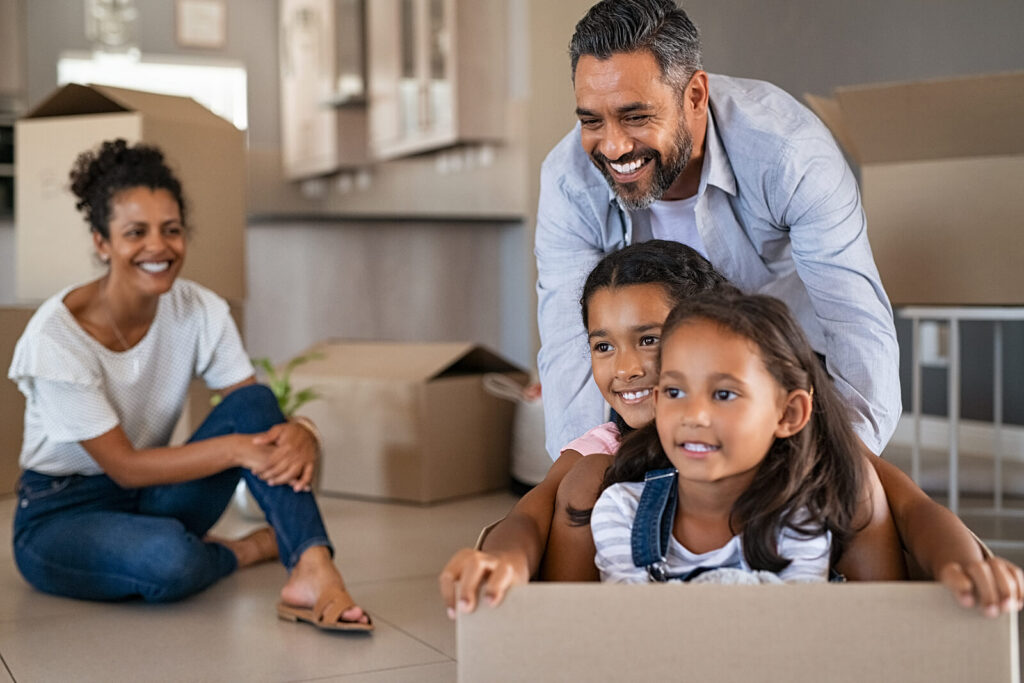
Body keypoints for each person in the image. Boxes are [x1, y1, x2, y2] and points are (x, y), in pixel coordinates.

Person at [440, 242, 1023, 615]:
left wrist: (963, 565)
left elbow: (914, 508)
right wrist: (505, 564)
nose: (629, 367)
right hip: (645, 623)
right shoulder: (601, 462)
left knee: (863, 488)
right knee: (580, 489)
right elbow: (525, 518)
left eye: (651, 339)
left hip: (799, 615)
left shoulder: (789, 429)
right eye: (604, 345)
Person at [8, 139, 371, 632]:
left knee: (256, 401)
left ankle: (311, 566)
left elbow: (252, 411)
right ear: (102, 242)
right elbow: (126, 467)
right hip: (60, 515)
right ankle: (243, 552)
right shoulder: (56, 338)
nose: (158, 247)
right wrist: (241, 452)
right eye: (135, 232)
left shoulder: (200, 309)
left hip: (155, 496)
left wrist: (303, 427)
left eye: (171, 230)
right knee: (169, 560)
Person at [535, 0, 899, 463]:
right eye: (591, 121)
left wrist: (849, 463)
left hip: (783, 364)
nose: (613, 146)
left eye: (636, 117)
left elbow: (854, 317)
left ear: (695, 96)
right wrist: (589, 468)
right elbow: (569, 342)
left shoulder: (788, 155)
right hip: (652, 380)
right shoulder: (569, 181)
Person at [592, 291, 865, 583]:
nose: (693, 415)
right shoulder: (622, 511)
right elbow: (634, 623)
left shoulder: (799, 521)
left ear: (788, 414)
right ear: (658, 403)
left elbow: (789, 623)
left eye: (724, 394)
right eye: (675, 392)